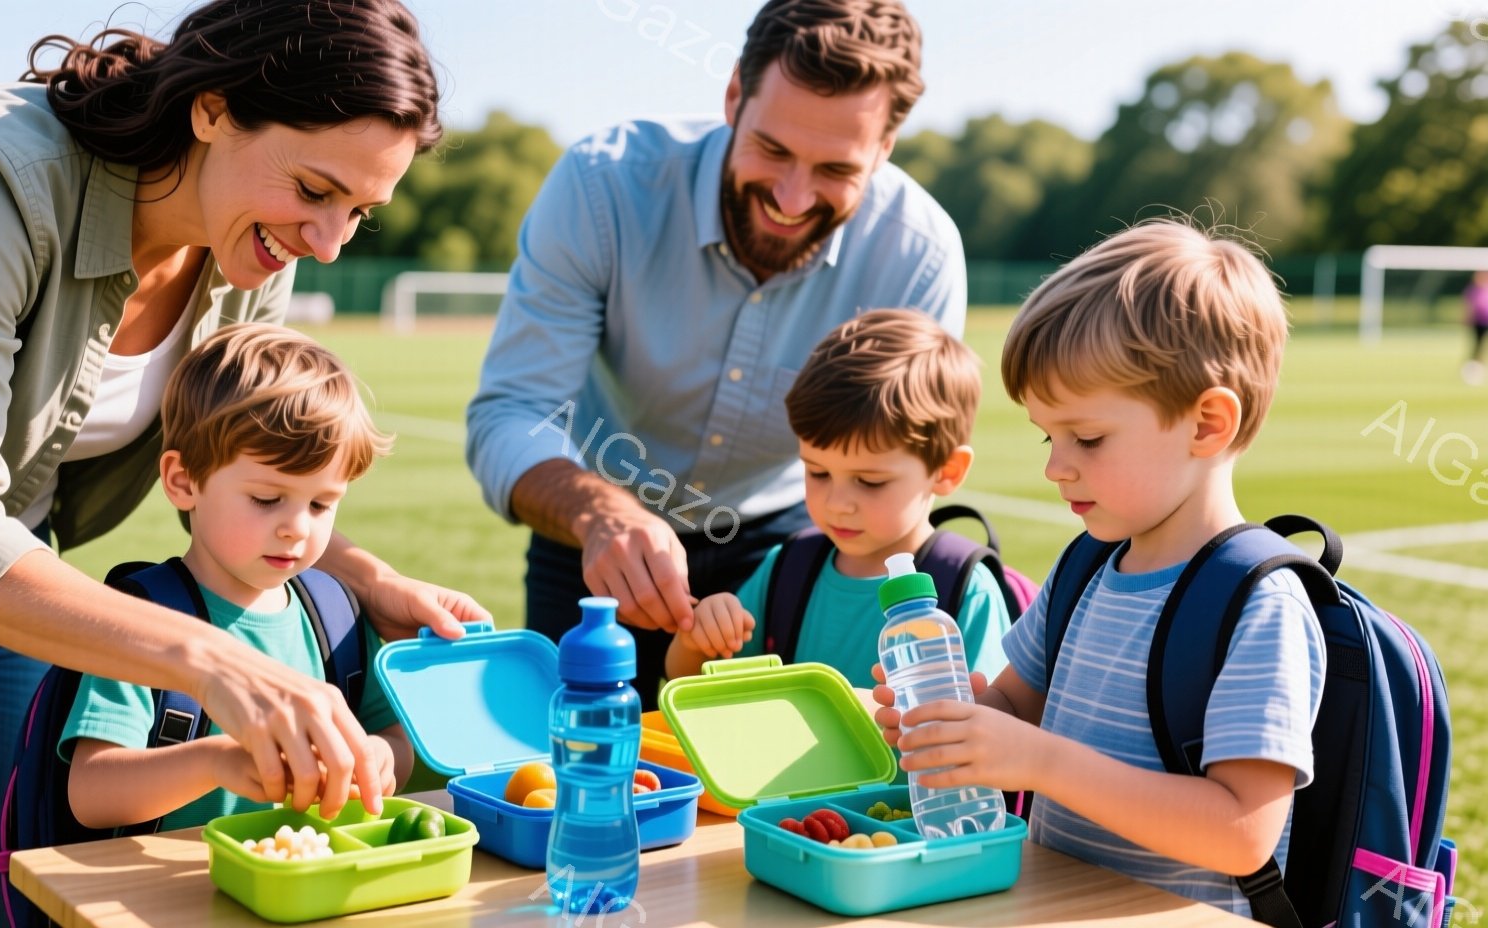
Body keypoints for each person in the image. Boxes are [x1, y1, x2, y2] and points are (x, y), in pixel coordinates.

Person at [0, 3, 485, 925]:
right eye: (314, 189)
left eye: (358, 213)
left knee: (13, 905)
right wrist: (214, 663)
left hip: (2, 592)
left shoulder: (253, 241)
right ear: (212, 111)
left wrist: (368, 581)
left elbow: (242, 470)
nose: (328, 240)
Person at [465, 0, 967, 704]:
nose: (793, 197)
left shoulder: (919, 255)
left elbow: (905, 455)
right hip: (591, 529)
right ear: (734, 94)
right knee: (568, 754)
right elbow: (514, 410)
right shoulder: (601, 185)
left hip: (787, 550)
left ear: (885, 147)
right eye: (774, 149)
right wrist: (599, 514)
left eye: (834, 168)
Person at [873, 221, 1327, 916]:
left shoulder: (1256, 603)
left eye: (1086, 437)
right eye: (1048, 437)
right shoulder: (1085, 565)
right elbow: (1015, 706)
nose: (1056, 467)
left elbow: (1241, 833)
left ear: (1208, 424)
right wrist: (956, 727)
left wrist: (1039, 759)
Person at [62, 323, 413, 830]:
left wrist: (380, 757)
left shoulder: (337, 616)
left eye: (321, 504)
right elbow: (92, 792)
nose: (297, 527)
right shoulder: (144, 621)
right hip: (173, 880)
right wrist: (215, 762)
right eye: (267, 499)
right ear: (183, 481)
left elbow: (395, 739)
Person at [666, 309, 1008, 686]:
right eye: (818, 472)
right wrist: (698, 641)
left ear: (946, 471)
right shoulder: (788, 566)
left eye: (870, 481)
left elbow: (987, 715)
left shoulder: (966, 591)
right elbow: (692, 680)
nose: (836, 504)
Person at [1463, 270, 1488, 385]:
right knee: (1477, 346)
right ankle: (1473, 369)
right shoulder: (1473, 290)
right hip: (1478, 322)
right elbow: (1468, 305)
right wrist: (1467, 318)